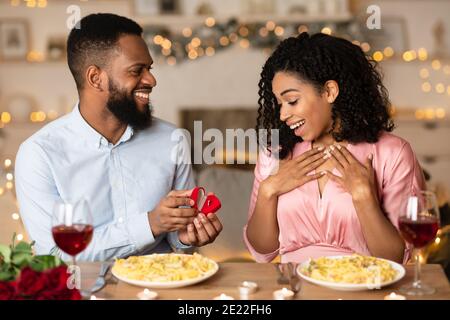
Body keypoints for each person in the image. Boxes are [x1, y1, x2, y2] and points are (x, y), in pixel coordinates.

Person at [15, 13, 222, 261]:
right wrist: (148, 224)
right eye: (137, 70)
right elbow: (55, 255)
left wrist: (187, 238)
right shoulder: (39, 154)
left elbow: (177, 238)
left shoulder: (172, 139)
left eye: (149, 69)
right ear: (95, 78)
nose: (151, 80)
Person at [244, 32, 425, 264]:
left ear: (329, 91)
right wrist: (269, 191)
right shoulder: (274, 154)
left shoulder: (392, 153)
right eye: (279, 104)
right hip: (292, 289)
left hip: (362, 288)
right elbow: (261, 252)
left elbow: (396, 259)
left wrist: (363, 196)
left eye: (292, 101)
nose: (283, 114)